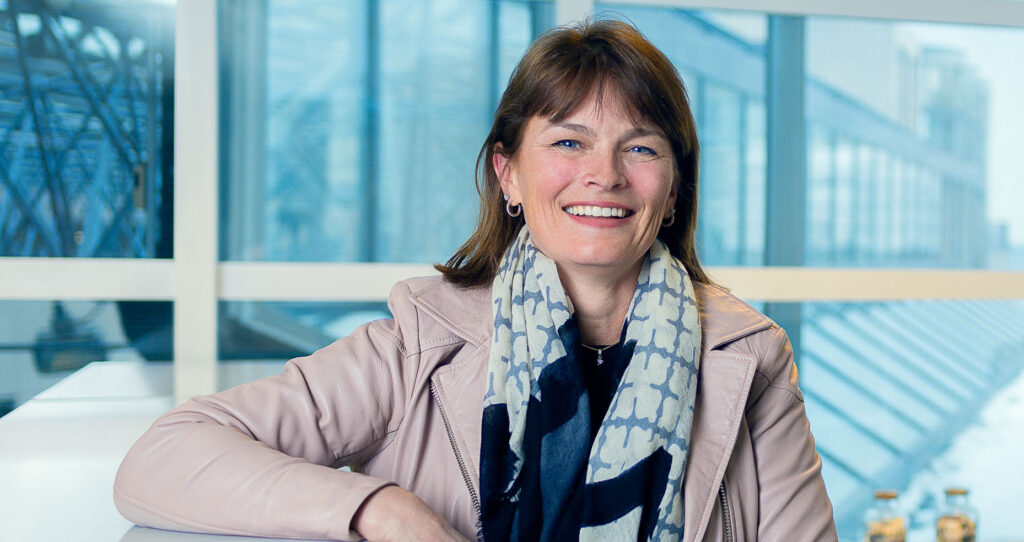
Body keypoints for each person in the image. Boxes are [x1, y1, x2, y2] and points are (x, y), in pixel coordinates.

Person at [114, 19, 837, 542]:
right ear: (508, 174)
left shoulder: (751, 360)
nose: (604, 175)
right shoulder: (417, 347)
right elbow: (164, 457)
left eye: (640, 148)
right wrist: (380, 508)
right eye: (568, 141)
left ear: (673, 189)